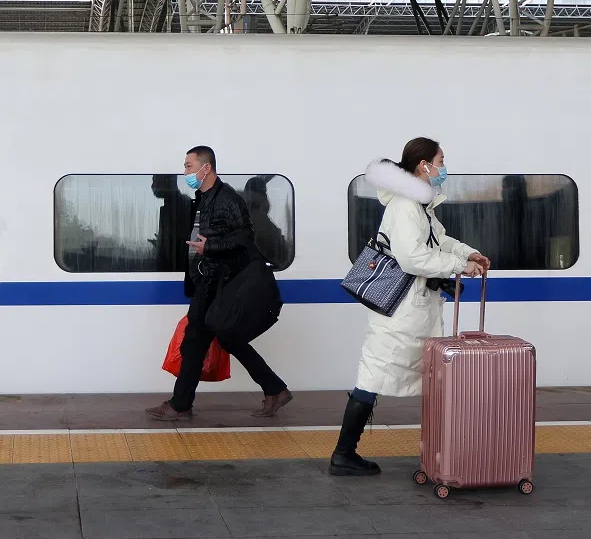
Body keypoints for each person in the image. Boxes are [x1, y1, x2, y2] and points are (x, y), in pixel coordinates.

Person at [329, 137, 490, 476]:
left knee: (401, 376)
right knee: (373, 376)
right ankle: (344, 454)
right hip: (400, 312)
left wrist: (467, 254)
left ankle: (437, 450)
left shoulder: (419, 206)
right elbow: (413, 257)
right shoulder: (405, 206)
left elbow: (438, 240)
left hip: (411, 310)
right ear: (423, 166)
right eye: (441, 160)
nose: (443, 167)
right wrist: (458, 266)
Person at [145, 146, 293, 421]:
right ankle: (184, 403)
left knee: (216, 338)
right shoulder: (204, 198)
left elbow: (246, 238)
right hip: (210, 281)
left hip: (222, 283)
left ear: (206, 167)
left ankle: (183, 404)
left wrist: (210, 246)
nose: (186, 172)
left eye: (189, 166)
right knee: (196, 342)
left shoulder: (226, 199)